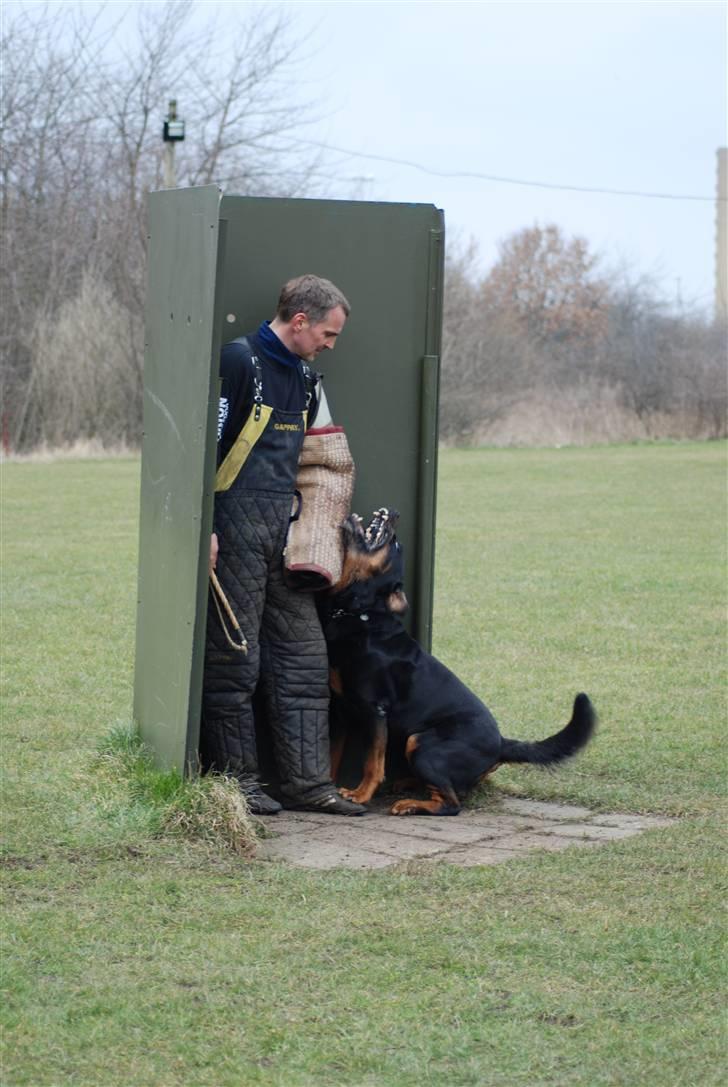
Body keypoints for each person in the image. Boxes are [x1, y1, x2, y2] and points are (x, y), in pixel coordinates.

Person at [200, 274, 366, 816]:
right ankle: (239, 784)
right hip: (234, 532)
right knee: (234, 660)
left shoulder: (306, 377)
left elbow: (321, 462)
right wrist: (203, 528)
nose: (330, 345)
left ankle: (308, 785)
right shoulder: (237, 362)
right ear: (299, 322)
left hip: (286, 540)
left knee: (304, 660)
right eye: (327, 333)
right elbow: (204, 450)